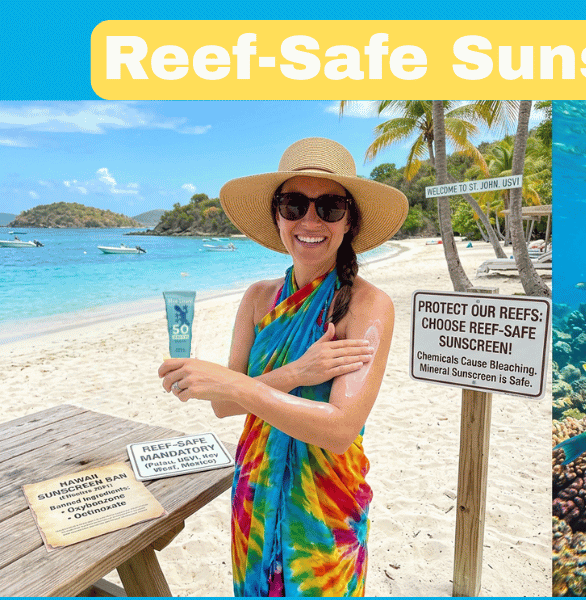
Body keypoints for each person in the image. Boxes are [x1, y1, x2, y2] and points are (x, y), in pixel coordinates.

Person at [158, 137, 408, 597]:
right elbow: (223, 409)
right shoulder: (257, 298)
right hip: (253, 491)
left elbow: (339, 430)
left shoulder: (370, 305)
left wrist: (240, 386)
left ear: (349, 220)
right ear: (277, 216)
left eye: (329, 207)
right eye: (294, 205)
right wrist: (294, 374)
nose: (309, 221)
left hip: (325, 505)